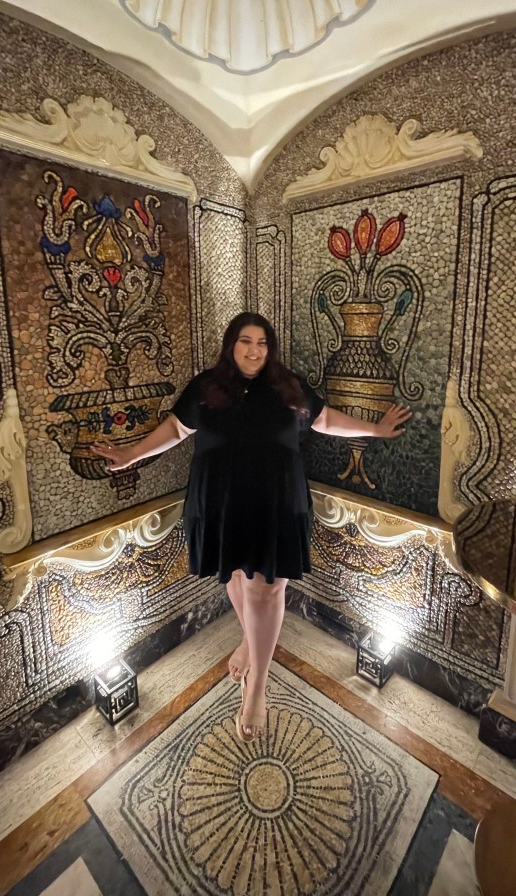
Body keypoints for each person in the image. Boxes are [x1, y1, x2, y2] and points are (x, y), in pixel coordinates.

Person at [91, 312, 411, 742]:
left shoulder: (288, 387)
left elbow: (326, 420)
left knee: (269, 587)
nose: (254, 350)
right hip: (222, 499)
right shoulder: (207, 388)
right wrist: (132, 454)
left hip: (276, 500)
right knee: (237, 574)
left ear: (270, 347)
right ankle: (250, 640)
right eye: (245, 341)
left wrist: (373, 429)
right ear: (231, 345)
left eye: (262, 342)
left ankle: (257, 685)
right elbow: (175, 428)